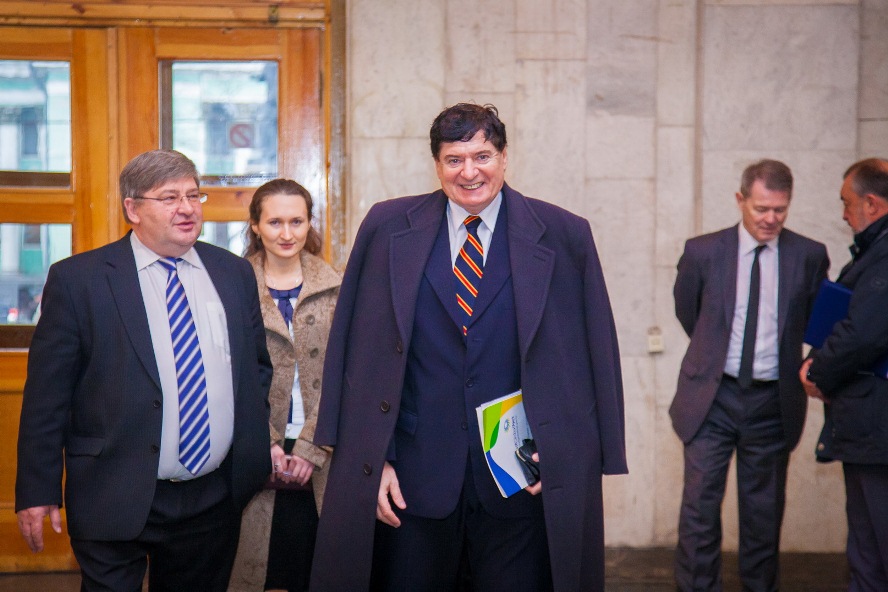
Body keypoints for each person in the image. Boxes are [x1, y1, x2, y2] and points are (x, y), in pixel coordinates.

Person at [309, 103, 626, 592]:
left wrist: (571, 454)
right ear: (436, 165)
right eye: (454, 159)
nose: (469, 172)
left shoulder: (564, 235)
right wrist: (372, 459)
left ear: (504, 157)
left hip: (520, 480)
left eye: (482, 156)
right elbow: (355, 347)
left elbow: (595, 353)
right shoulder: (387, 228)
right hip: (412, 481)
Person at [14, 149, 272, 591]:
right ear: (132, 209)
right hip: (111, 487)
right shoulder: (79, 280)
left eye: (193, 195)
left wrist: (247, 450)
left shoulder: (233, 273)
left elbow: (255, 368)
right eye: (169, 198)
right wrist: (37, 490)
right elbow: (47, 398)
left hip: (212, 496)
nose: (187, 208)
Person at [670, 159, 829, 591]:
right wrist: (713, 354)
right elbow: (689, 313)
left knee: (763, 515)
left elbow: (818, 323)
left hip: (772, 402)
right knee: (699, 511)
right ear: (741, 200)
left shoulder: (809, 256)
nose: (770, 219)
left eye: (780, 209)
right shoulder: (703, 252)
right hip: (711, 398)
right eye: (761, 208)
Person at [228, 179, 340, 592]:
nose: (287, 233)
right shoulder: (231, 287)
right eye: (275, 222)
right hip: (254, 447)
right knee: (253, 567)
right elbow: (229, 375)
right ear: (255, 226)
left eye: (297, 221)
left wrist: (311, 446)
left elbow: (346, 374)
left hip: (323, 449)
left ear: (310, 223)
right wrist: (266, 443)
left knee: (313, 570)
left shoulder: (338, 288)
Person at [800, 158, 888, 592]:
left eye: (846, 203)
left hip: (878, 429)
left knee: (874, 547)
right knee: (866, 550)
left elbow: (863, 332)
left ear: (871, 203)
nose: (843, 214)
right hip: (868, 427)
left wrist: (817, 370)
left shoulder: (883, 255)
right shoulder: (874, 251)